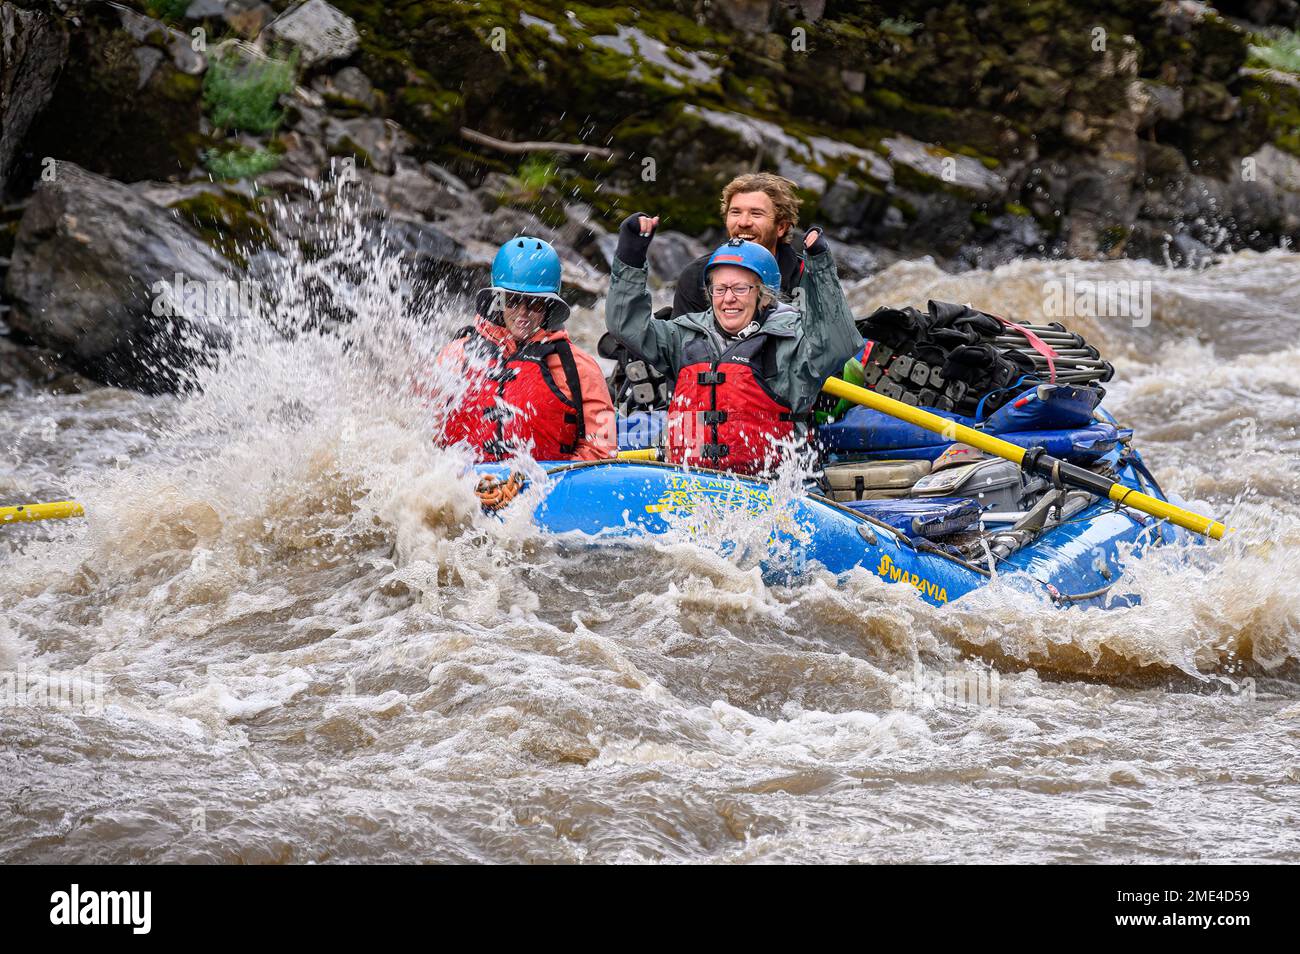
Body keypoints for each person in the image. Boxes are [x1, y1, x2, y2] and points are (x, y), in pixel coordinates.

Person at [604, 213, 861, 475]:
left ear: (763, 296)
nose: (728, 299)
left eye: (740, 289)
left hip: (774, 487)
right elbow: (626, 326)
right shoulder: (683, 336)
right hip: (693, 486)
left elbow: (839, 343)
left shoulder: (791, 341)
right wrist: (631, 255)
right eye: (720, 289)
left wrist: (820, 267)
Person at [435, 236, 615, 462]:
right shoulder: (456, 355)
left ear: (549, 306)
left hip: (545, 488)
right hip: (466, 489)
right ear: (498, 300)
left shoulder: (580, 369)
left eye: (535, 303)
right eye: (513, 300)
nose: (523, 312)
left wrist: (539, 483)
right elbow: (427, 436)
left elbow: (601, 450)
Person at [672, 172, 810, 317]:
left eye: (756, 214)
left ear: (781, 227)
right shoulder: (696, 276)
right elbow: (681, 337)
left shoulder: (808, 279)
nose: (743, 222)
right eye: (735, 212)